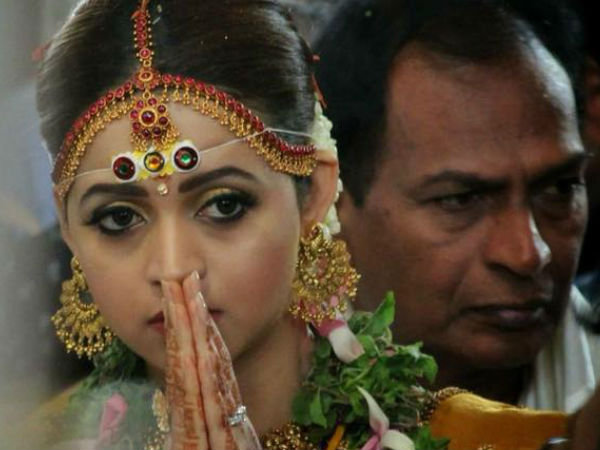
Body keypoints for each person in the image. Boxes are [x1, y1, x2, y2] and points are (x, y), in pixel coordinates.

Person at [10, 0, 593, 449]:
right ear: (69, 227)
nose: (174, 266)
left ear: (313, 191)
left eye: (224, 205)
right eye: (119, 217)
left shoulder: (497, 441)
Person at [315, 0, 600, 413]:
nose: (527, 254)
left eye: (559, 189)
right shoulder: (246, 408)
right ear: (329, 201)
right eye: (460, 200)